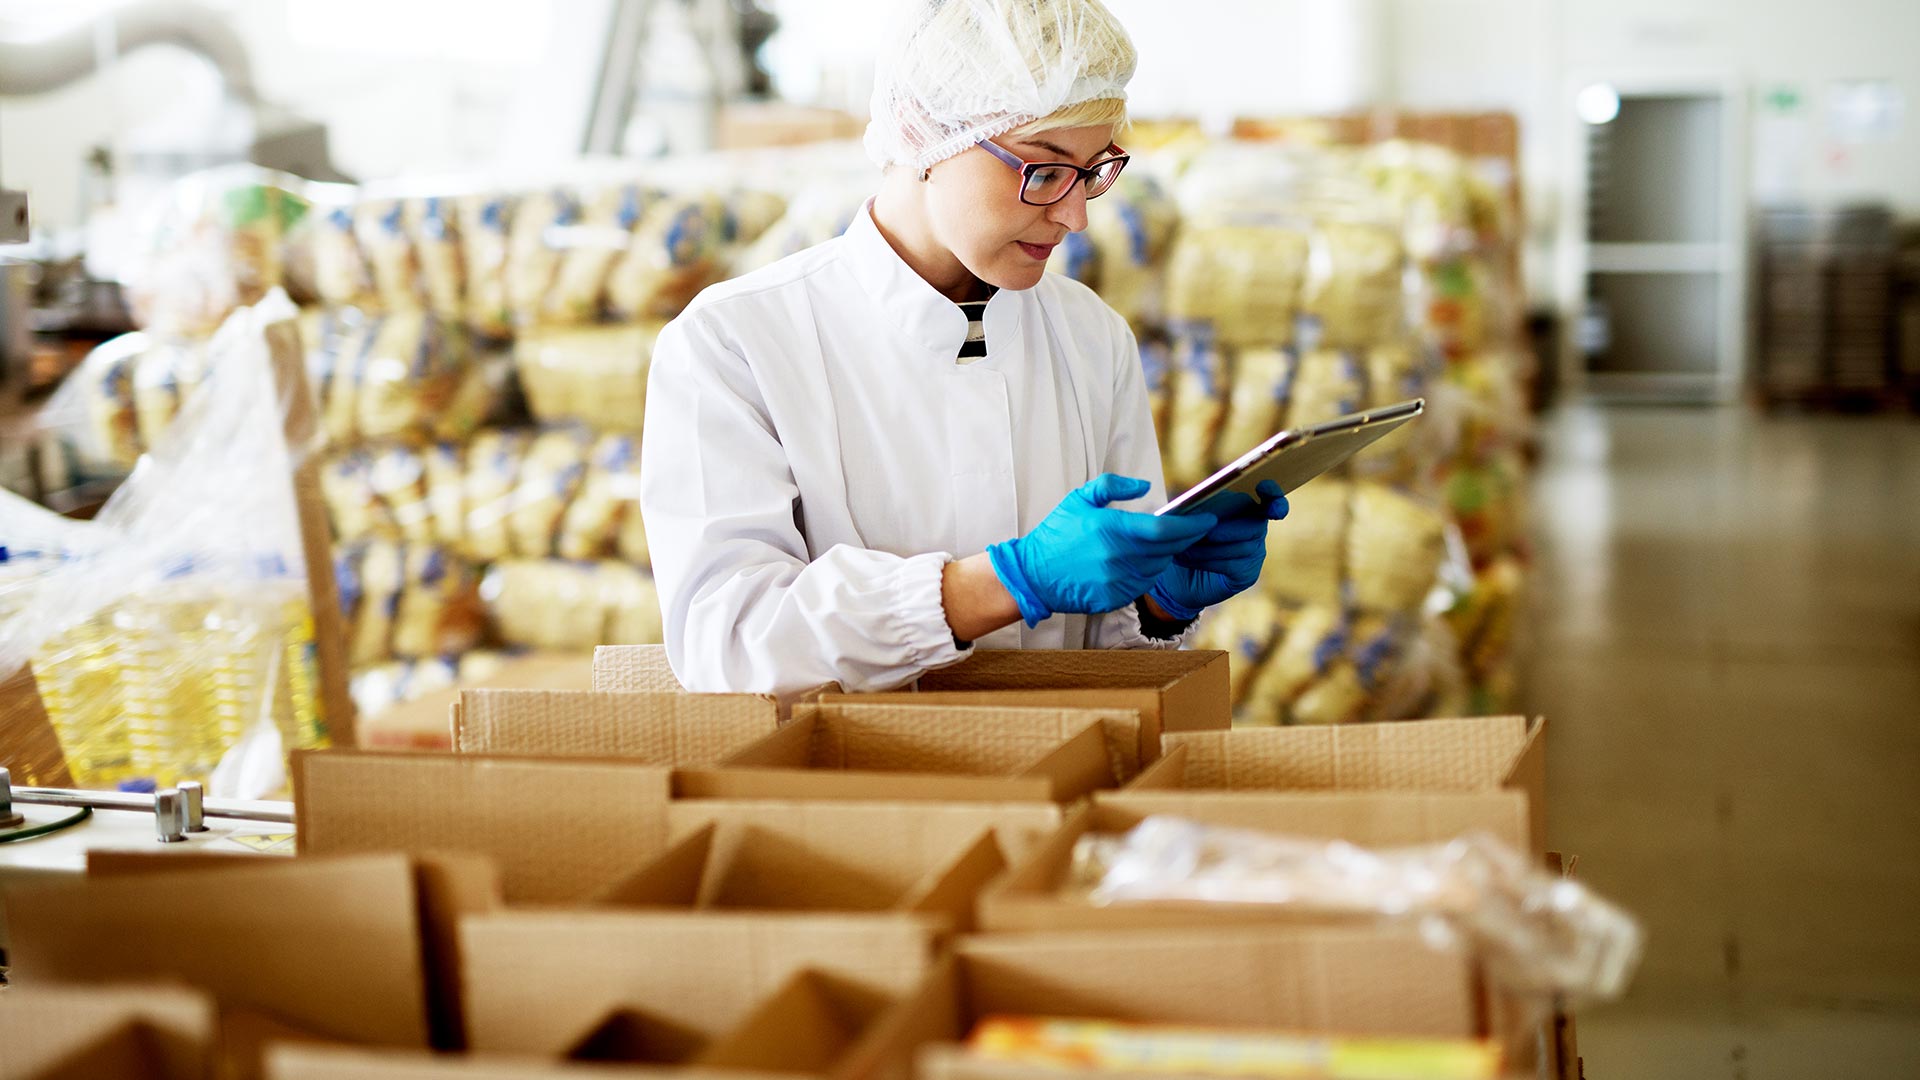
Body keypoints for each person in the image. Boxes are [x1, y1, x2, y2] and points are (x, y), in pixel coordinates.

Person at [640, 0, 1288, 695]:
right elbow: (728, 641)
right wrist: (1001, 584)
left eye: (1097, 170)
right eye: (1044, 172)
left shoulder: (1091, 337)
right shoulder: (737, 342)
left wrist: (1160, 604)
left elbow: (1108, 661)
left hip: (1061, 782)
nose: (1075, 215)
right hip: (847, 790)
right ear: (923, 132)